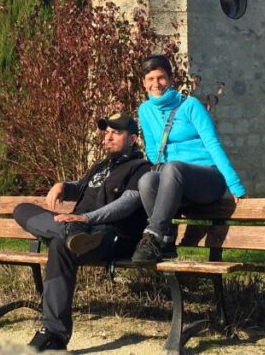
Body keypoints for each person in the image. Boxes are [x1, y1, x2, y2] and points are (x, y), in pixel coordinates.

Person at [13, 114, 151, 352]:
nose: (108, 137)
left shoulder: (141, 168)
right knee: (22, 210)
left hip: (109, 235)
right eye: (106, 132)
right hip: (79, 233)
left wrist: (87, 218)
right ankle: (54, 335)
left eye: (115, 133)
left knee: (60, 244)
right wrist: (62, 186)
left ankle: (54, 333)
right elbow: (80, 187)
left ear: (133, 139)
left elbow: (127, 204)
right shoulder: (100, 165)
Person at [132, 54, 247, 264]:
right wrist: (166, 182)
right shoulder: (145, 110)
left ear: (170, 79)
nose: (156, 84)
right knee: (146, 181)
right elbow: (151, 149)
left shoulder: (191, 106)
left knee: (173, 168)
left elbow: (213, 144)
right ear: (144, 83)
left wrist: (234, 184)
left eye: (161, 78)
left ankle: (154, 236)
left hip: (207, 180)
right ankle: (166, 242)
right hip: (175, 184)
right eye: (150, 79)